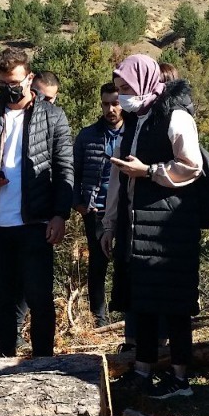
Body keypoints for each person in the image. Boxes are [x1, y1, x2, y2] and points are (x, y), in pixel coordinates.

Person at [0, 47, 74, 358]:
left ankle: (43, 364)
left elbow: (65, 168)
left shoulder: (53, 116)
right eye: (2, 84)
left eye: (14, 83)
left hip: (36, 222)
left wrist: (60, 215)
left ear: (29, 79)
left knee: (39, 297)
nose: (9, 90)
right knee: (1, 300)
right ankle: (4, 362)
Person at [103, 55, 203, 400]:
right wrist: (109, 223)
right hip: (134, 225)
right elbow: (119, 175)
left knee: (174, 303)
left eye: (126, 88)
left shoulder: (175, 117)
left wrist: (149, 171)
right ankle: (142, 371)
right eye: (118, 90)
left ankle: (180, 379)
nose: (122, 96)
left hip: (170, 227)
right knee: (141, 301)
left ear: (146, 82)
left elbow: (191, 167)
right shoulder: (133, 120)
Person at [74, 83, 125, 327]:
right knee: (98, 262)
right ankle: (99, 318)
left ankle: (126, 313)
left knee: (126, 260)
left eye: (115, 103)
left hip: (125, 207)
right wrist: (79, 204)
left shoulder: (134, 132)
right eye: (106, 103)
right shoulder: (88, 135)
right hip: (96, 209)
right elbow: (72, 172)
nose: (111, 109)